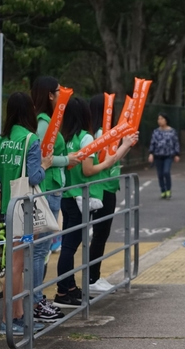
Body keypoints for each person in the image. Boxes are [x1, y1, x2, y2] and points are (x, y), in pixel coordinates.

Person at [54, 97, 131, 308]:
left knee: (69, 244)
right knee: (70, 246)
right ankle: (63, 291)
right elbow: (88, 170)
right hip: (80, 196)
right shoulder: (85, 137)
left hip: (67, 196)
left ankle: (69, 288)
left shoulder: (64, 137)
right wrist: (107, 163)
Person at [0, 92, 52, 336]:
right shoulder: (31, 139)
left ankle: (17, 316)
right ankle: (8, 320)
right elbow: (34, 177)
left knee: (14, 264)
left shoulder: (3, 140)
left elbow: (2, 172)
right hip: (24, 208)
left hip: (8, 205)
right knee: (16, 266)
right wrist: (45, 165)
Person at [31, 76, 81, 322]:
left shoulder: (49, 121)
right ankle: (35, 301)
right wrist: (67, 159)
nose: (63, 94)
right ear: (50, 95)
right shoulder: (43, 123)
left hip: (53, 189)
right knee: (40, 250)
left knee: (42, 249)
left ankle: (36, 300)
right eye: (59, 91)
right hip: (47, 189)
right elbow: (43, 159)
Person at [87, 94, 138, 294]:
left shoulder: (98, 131)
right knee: (100, 233)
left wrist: (126, 144)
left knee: (99, 234)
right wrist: (125, 145)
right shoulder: (102, 132)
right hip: (104, 188)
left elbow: (114, 158)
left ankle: (93, 276)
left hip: (104, 186)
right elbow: (109, 159)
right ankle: (92, 278)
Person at [148, 113, 180, 199]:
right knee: (160, 174)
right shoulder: (156, 131)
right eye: (158, 119)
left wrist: (176, 154)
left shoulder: (172, 131)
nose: (160, 121)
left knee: (166, 172)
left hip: (168, 155)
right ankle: (163, 190)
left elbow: (176, 142)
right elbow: (153, 143)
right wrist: (151, 153)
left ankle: (168, 189)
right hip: (158, 155)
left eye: (162, 119)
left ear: (166, 120)